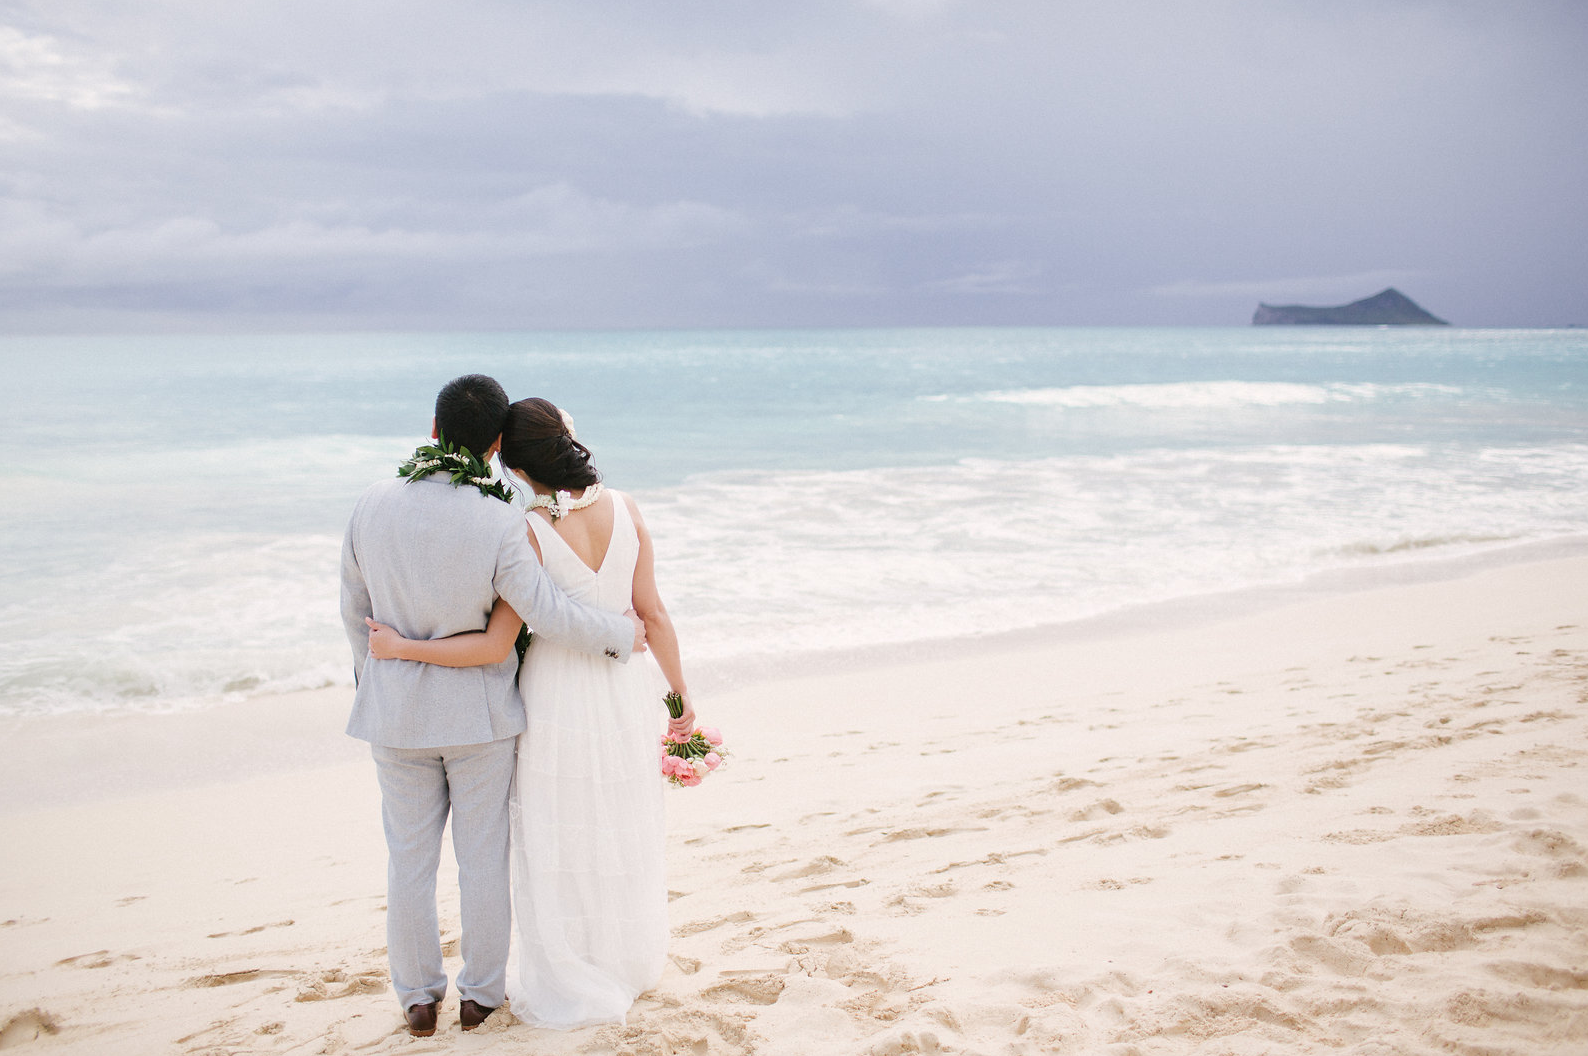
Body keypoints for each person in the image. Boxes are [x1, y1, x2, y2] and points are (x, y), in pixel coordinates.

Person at [364, 396, 695, 1029]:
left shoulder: (524, 529)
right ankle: (623, 959)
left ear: (509, 463)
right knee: (620, 821)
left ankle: (548, 969)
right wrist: (679, 701)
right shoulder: (626, 508)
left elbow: (498, 640)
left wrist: (396, 653)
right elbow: (653, 616)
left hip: (555, 698)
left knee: (557, 833)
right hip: (626, 690)